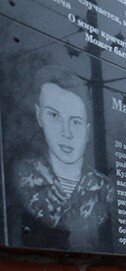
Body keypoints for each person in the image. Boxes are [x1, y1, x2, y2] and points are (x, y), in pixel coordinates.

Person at [13, 65, 114, 253]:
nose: (65, 133)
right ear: (39, 116)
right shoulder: (18, 177)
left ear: (87, 130)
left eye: (75, 121)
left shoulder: (104, 189)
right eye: (54, 115)